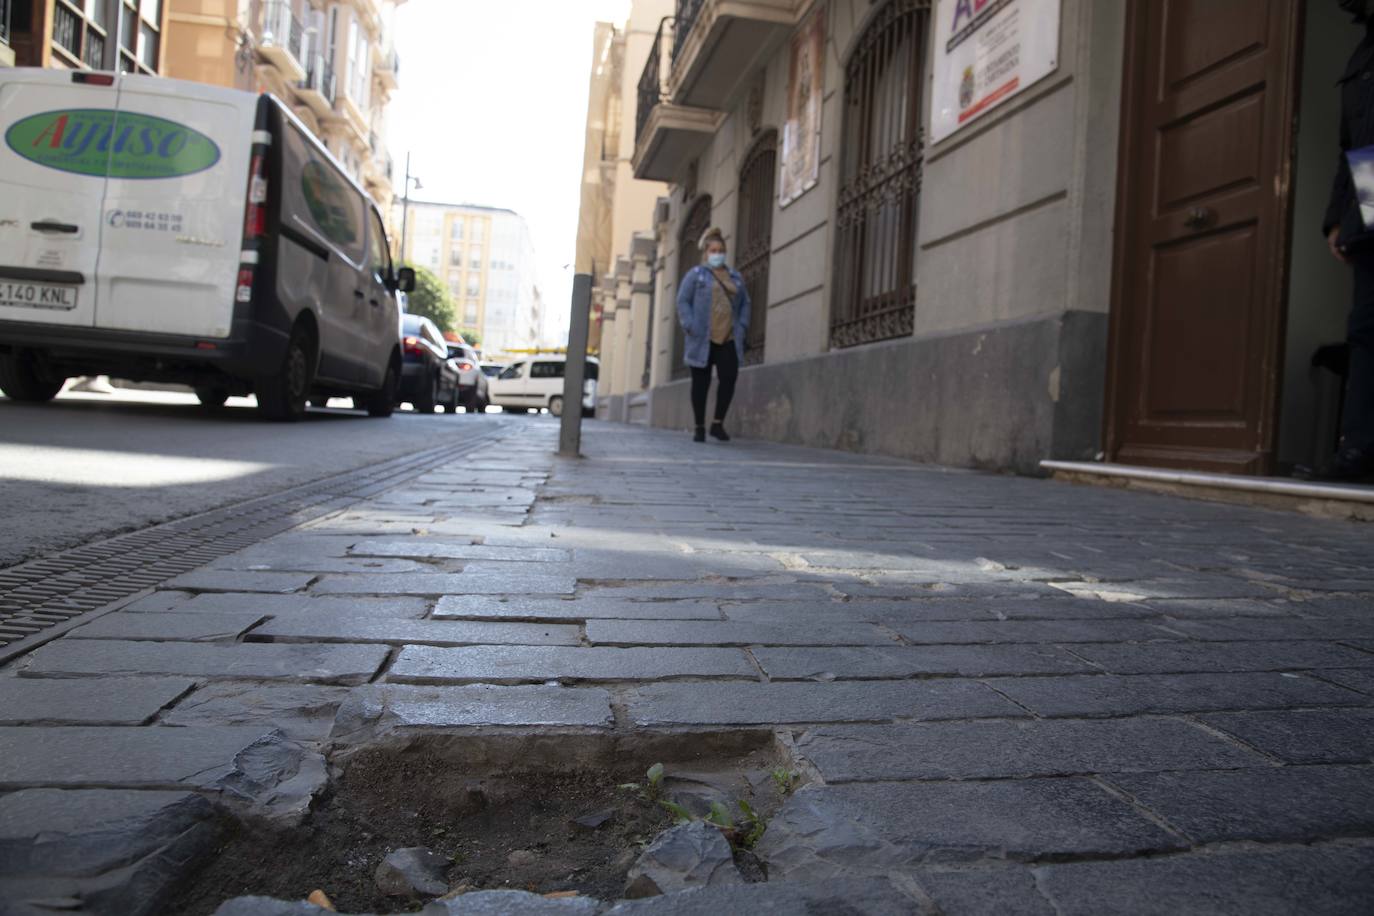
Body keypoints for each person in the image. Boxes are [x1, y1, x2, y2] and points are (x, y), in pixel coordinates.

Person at [1317, 0, 1374, 480]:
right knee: (1367, 327)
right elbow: (1352, 147)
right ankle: (1357, 453)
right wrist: (1340, 218)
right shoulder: (1362, 53)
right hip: (1371, 188)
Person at [675, 227, 751, 443]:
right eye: (713, 250)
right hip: (702, 338)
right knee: (701, 383)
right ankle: (699, 426)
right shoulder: (695, 275)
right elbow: (682, 301)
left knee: (729, 377)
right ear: (706, 253)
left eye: (720, 250)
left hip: (728, 338)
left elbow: (745, 303)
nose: (717, 254)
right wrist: (689, 325)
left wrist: (743, 325)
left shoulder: (735, 277)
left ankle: (717, 424)